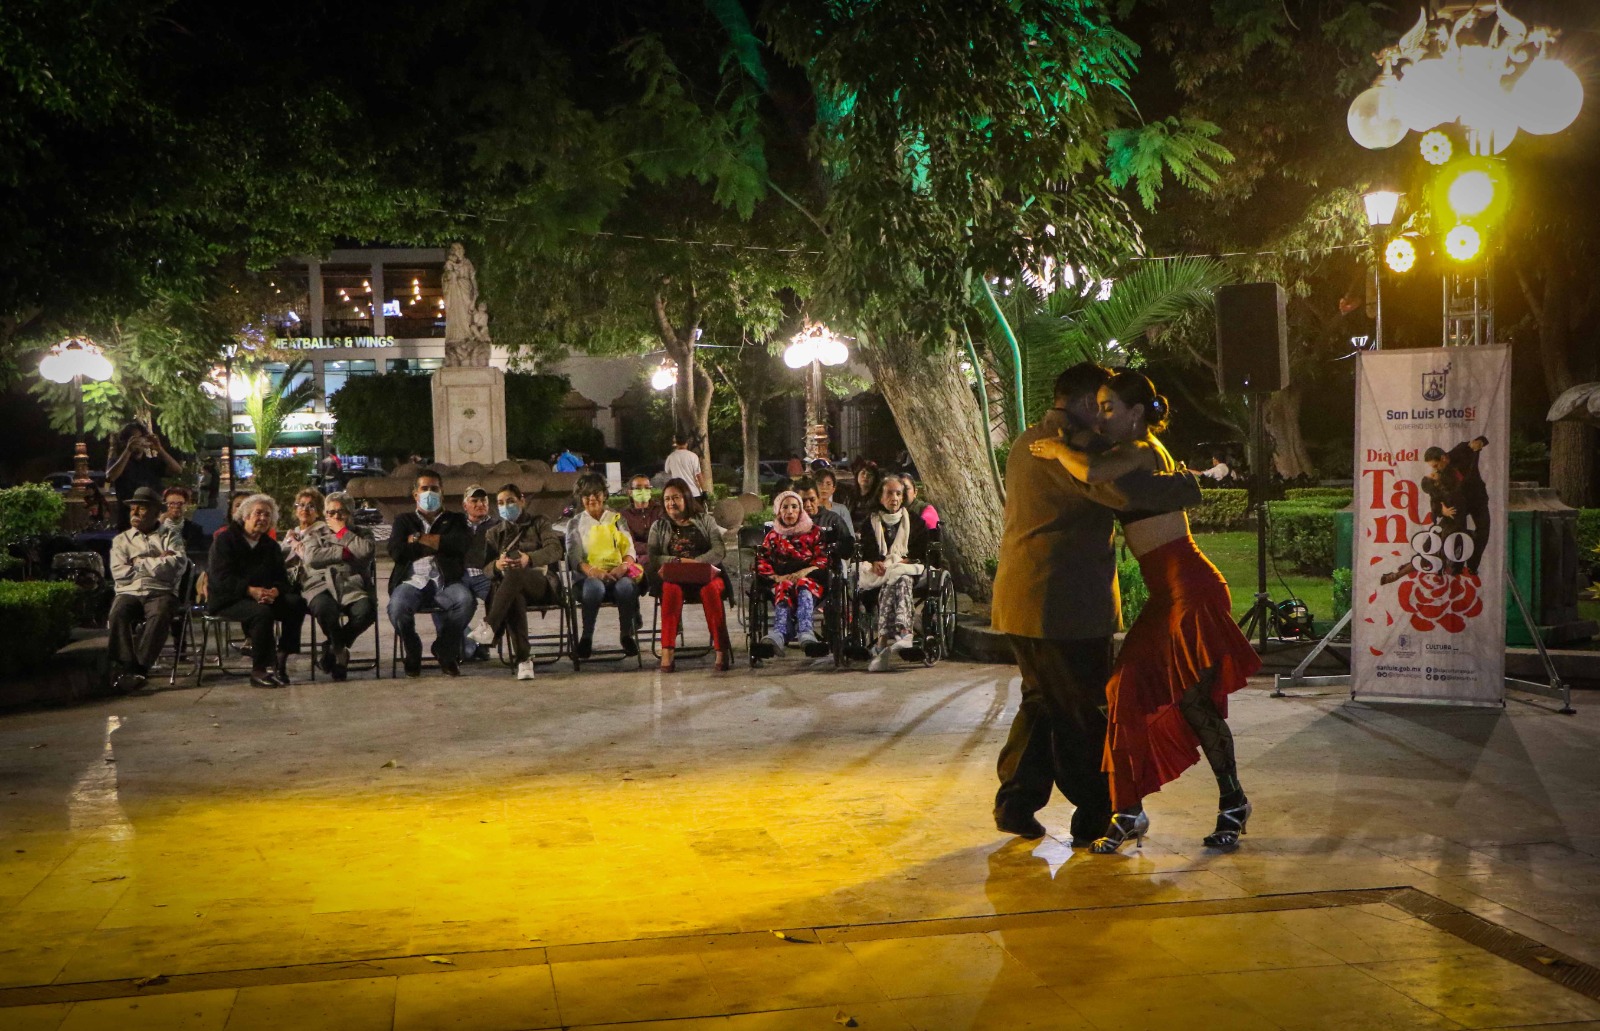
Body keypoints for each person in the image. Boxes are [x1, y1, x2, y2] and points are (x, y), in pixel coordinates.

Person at [1030, 370, 1260, 854]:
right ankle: (1129, 810)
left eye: (1110, 408)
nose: (1103, 416)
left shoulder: (1139, 450)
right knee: (1124, 689)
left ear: (1136, 414)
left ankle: (1233, 803)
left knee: (1195, 701)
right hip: (1167, 594)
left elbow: (1090, 473)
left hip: (1191, 589)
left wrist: (1056, 449)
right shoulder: (1136, 454)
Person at [991, 362, 1203, 844]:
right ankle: (1098, 813)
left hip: (1021, 598)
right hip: (1065, 603)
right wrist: (1189, 483)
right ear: (1086, 402)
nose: (1105, 417)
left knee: (1042, 701)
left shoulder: (1027, 441)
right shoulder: (1076, 446)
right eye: (1102, 404)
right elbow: (1126, 496)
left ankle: (1016, 802)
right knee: (1082, 711)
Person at [207, 493, 307, 687]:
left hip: (262, 596)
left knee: (296, 603)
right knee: (262, 613)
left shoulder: (270, 546)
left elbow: (282, 579)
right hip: (229, 599)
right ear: (245, 516)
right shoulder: (225, 541)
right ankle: (259, 670)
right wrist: (250, 591)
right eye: (258, 513)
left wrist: (276, 591)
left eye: (267, 515)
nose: (263, 518)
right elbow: (221, 579)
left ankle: (282, 656)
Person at [388, 469, 472, 677]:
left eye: (434, 489)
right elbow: (396, 552)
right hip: (413, 581)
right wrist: (439, 543)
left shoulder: (455, 520)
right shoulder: (403, 520)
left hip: (446, 582)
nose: (429, 493)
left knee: (466, 601)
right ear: (415, 494)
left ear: (442, 493)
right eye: (424, 489)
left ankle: (445, 649)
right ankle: (413, 649)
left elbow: (461, 545)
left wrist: (416, 540)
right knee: (397, 607)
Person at [646, 478, 730, 672]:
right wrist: (676, 562)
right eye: (667, 499)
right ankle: (667, 650)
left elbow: (719, 550)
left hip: (705, 576)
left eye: (676, 497)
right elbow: (654, 556)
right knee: (670, 590)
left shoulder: (705, 520)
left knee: (711, 590)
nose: (671, 503)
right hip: (675, 577)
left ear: (686, 498)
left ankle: (721, 649)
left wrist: (695, 562)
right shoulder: (658, 526)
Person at [483, 483, 564, 681]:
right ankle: (524, 660)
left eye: (510, 501)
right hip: (510, 590)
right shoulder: (493, 533)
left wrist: (529, 558)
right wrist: (497, 565)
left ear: (522, 500)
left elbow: (555, 550)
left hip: (541, 583)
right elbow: (485, 569)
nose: (506, 506)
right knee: (513, 593)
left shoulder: (540, 522)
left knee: (516, 574)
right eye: (501, 503)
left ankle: (490, 626)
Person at [107, 487, 185, 692]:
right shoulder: (121, 540)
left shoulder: (171, 536)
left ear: (154, 511)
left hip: (161, 590)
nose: (134, 513)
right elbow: (119, 573)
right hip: (129, 591)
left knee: (160, 613)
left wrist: (137, 562)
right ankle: (125, 666)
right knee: (118, 613)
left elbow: (176, 566)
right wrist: (157, 561)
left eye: (140, 508)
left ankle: (140, 668)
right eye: (132, 508)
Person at [293, 490, 376, 680]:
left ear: (350, 513)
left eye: (341, 512)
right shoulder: (316, 532)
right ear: (325, 514)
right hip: (319, 584)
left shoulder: (362, 533)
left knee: (365, 611)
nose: (336, 516)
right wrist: (344, 553)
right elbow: (311, 557)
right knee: (324, 609)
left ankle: (332, 646)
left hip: (351, 584)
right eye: (331, 513)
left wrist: (343, 533)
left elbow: (365, 552)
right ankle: (340, 654)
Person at [856, 474, 929, 672]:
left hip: (908, 569)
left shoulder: (915, 522)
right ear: (880, 497)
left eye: (898, 493)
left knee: (901, 576)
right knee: (893, 580)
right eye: (889, 493)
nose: (894, 498)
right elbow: (867, 552)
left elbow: (920, 553)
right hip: (880, 574)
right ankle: (903, 634)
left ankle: (883, 642)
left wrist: (901, 561)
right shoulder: (869, 523)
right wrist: (875, 562)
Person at [566, 472, 643, 658]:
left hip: (618, 575)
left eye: (596, 493)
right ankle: (586, 637)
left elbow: (629, 549)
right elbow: (574, 559)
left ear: (604, 494)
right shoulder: (575, 523)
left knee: (627, 587)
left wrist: (623, 567)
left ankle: (626, 634)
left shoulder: (616, 519)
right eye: (586, 495)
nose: (592, 499)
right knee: (594, 587)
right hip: (587, 579)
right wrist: (594, 572)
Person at [756, 490, 830, 656]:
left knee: (803, 585)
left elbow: (824, 558)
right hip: (782, 580)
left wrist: (805, 571)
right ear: (778, 511)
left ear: (801, 510)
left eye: (794, 507)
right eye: (785, 507)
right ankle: (779, 633)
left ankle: (806, 632)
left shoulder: (814, 532)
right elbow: (762, 560)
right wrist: (776, 577)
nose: (790, 511)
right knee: (784, 585)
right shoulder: (773, 535)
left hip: (810, 579)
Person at [1425, 436, 1490, 575]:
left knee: (1483, 531)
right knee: (1456, 532)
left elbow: (1480, 440)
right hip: (1460, 504)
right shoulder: (1438, 475)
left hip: (1478, 498)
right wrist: (1441, 510)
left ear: (1443, 458)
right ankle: (1455, 567)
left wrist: (1480, 442)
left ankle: (1473, 566)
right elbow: (1434, 495)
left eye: (1436, 465)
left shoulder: (1459, 451)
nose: (1435, 470)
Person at [107, 422, 182, 529]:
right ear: (125, 441)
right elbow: (110, 478)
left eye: (141, 437)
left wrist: (159, 449)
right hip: (128, 520)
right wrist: (128, 450)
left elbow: (177, 470)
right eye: (134, 438)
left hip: (152, 519)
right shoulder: (118, 462)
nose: (139, 441)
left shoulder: (151, 463)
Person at [459, 485, 501, 661]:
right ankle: (469, 645)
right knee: (448, 603)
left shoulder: (498, 525)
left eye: (483, 500)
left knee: (501, 600)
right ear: (465, 506)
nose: (479, 504)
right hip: (461, 577)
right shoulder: (457, 525)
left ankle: (486, 642)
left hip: (487, 576)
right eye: (474, 501)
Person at [794, 476, 853, 557]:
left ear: (818, 499)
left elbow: (848, 551)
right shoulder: (790, 521)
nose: (808, 505)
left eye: (812, 500)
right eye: (803, 501)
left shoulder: (833, 519)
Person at [619, 474, 664, 556]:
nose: (643, 490)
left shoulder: (660, 510)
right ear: (630, 492)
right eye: (638, 488)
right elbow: (629, 543)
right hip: (636, 558)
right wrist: (651, 548)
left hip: (661, 556)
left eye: (647, 488)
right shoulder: (624, 515)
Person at [813, 468, 855, 545]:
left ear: (833, 489)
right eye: (820, 483)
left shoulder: (842, 509)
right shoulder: (810, 509)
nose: (824, 487)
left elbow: (850, 537)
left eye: (828, 484)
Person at [160, 486, 206, 553]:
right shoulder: (155, 527)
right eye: (171, 503)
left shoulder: (195, 529)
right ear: (165, 504)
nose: (176, 506)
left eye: (180, 503)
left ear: (186, 504)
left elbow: (197, 555)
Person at [663, 432, 707, 498]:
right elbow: (698, 475)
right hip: (693, 493)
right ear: (687, 442)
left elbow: (667, 471)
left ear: (676, 443)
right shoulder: (693, 456)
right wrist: (704, 491)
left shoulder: (670, 457)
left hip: (678, 493)